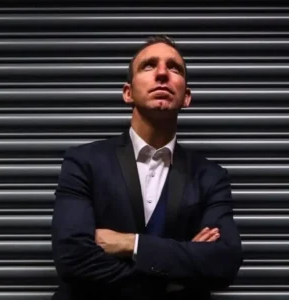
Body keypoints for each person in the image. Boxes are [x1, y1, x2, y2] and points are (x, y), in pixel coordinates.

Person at [51, 35, 243, 300]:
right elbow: (71, 258)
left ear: (186, 97)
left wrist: (131, 244)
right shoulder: (83, 162)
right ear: (127, 93)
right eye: (149, 66)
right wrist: (180, 272)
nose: (163, 73)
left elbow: (225, 262)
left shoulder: (210, 176)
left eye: (174, 68)